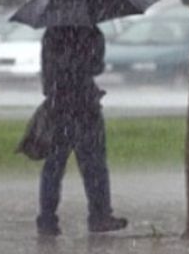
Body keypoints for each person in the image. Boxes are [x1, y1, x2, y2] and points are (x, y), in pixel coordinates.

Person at [35, 25, 128, 236]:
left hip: (58, 105)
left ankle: (47, 220)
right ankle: (99, 216)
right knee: (94, 165)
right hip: (85, 105)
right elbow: (96, 67)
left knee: (54, 166)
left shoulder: (51, 33)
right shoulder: (92, 33)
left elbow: (47, 71)